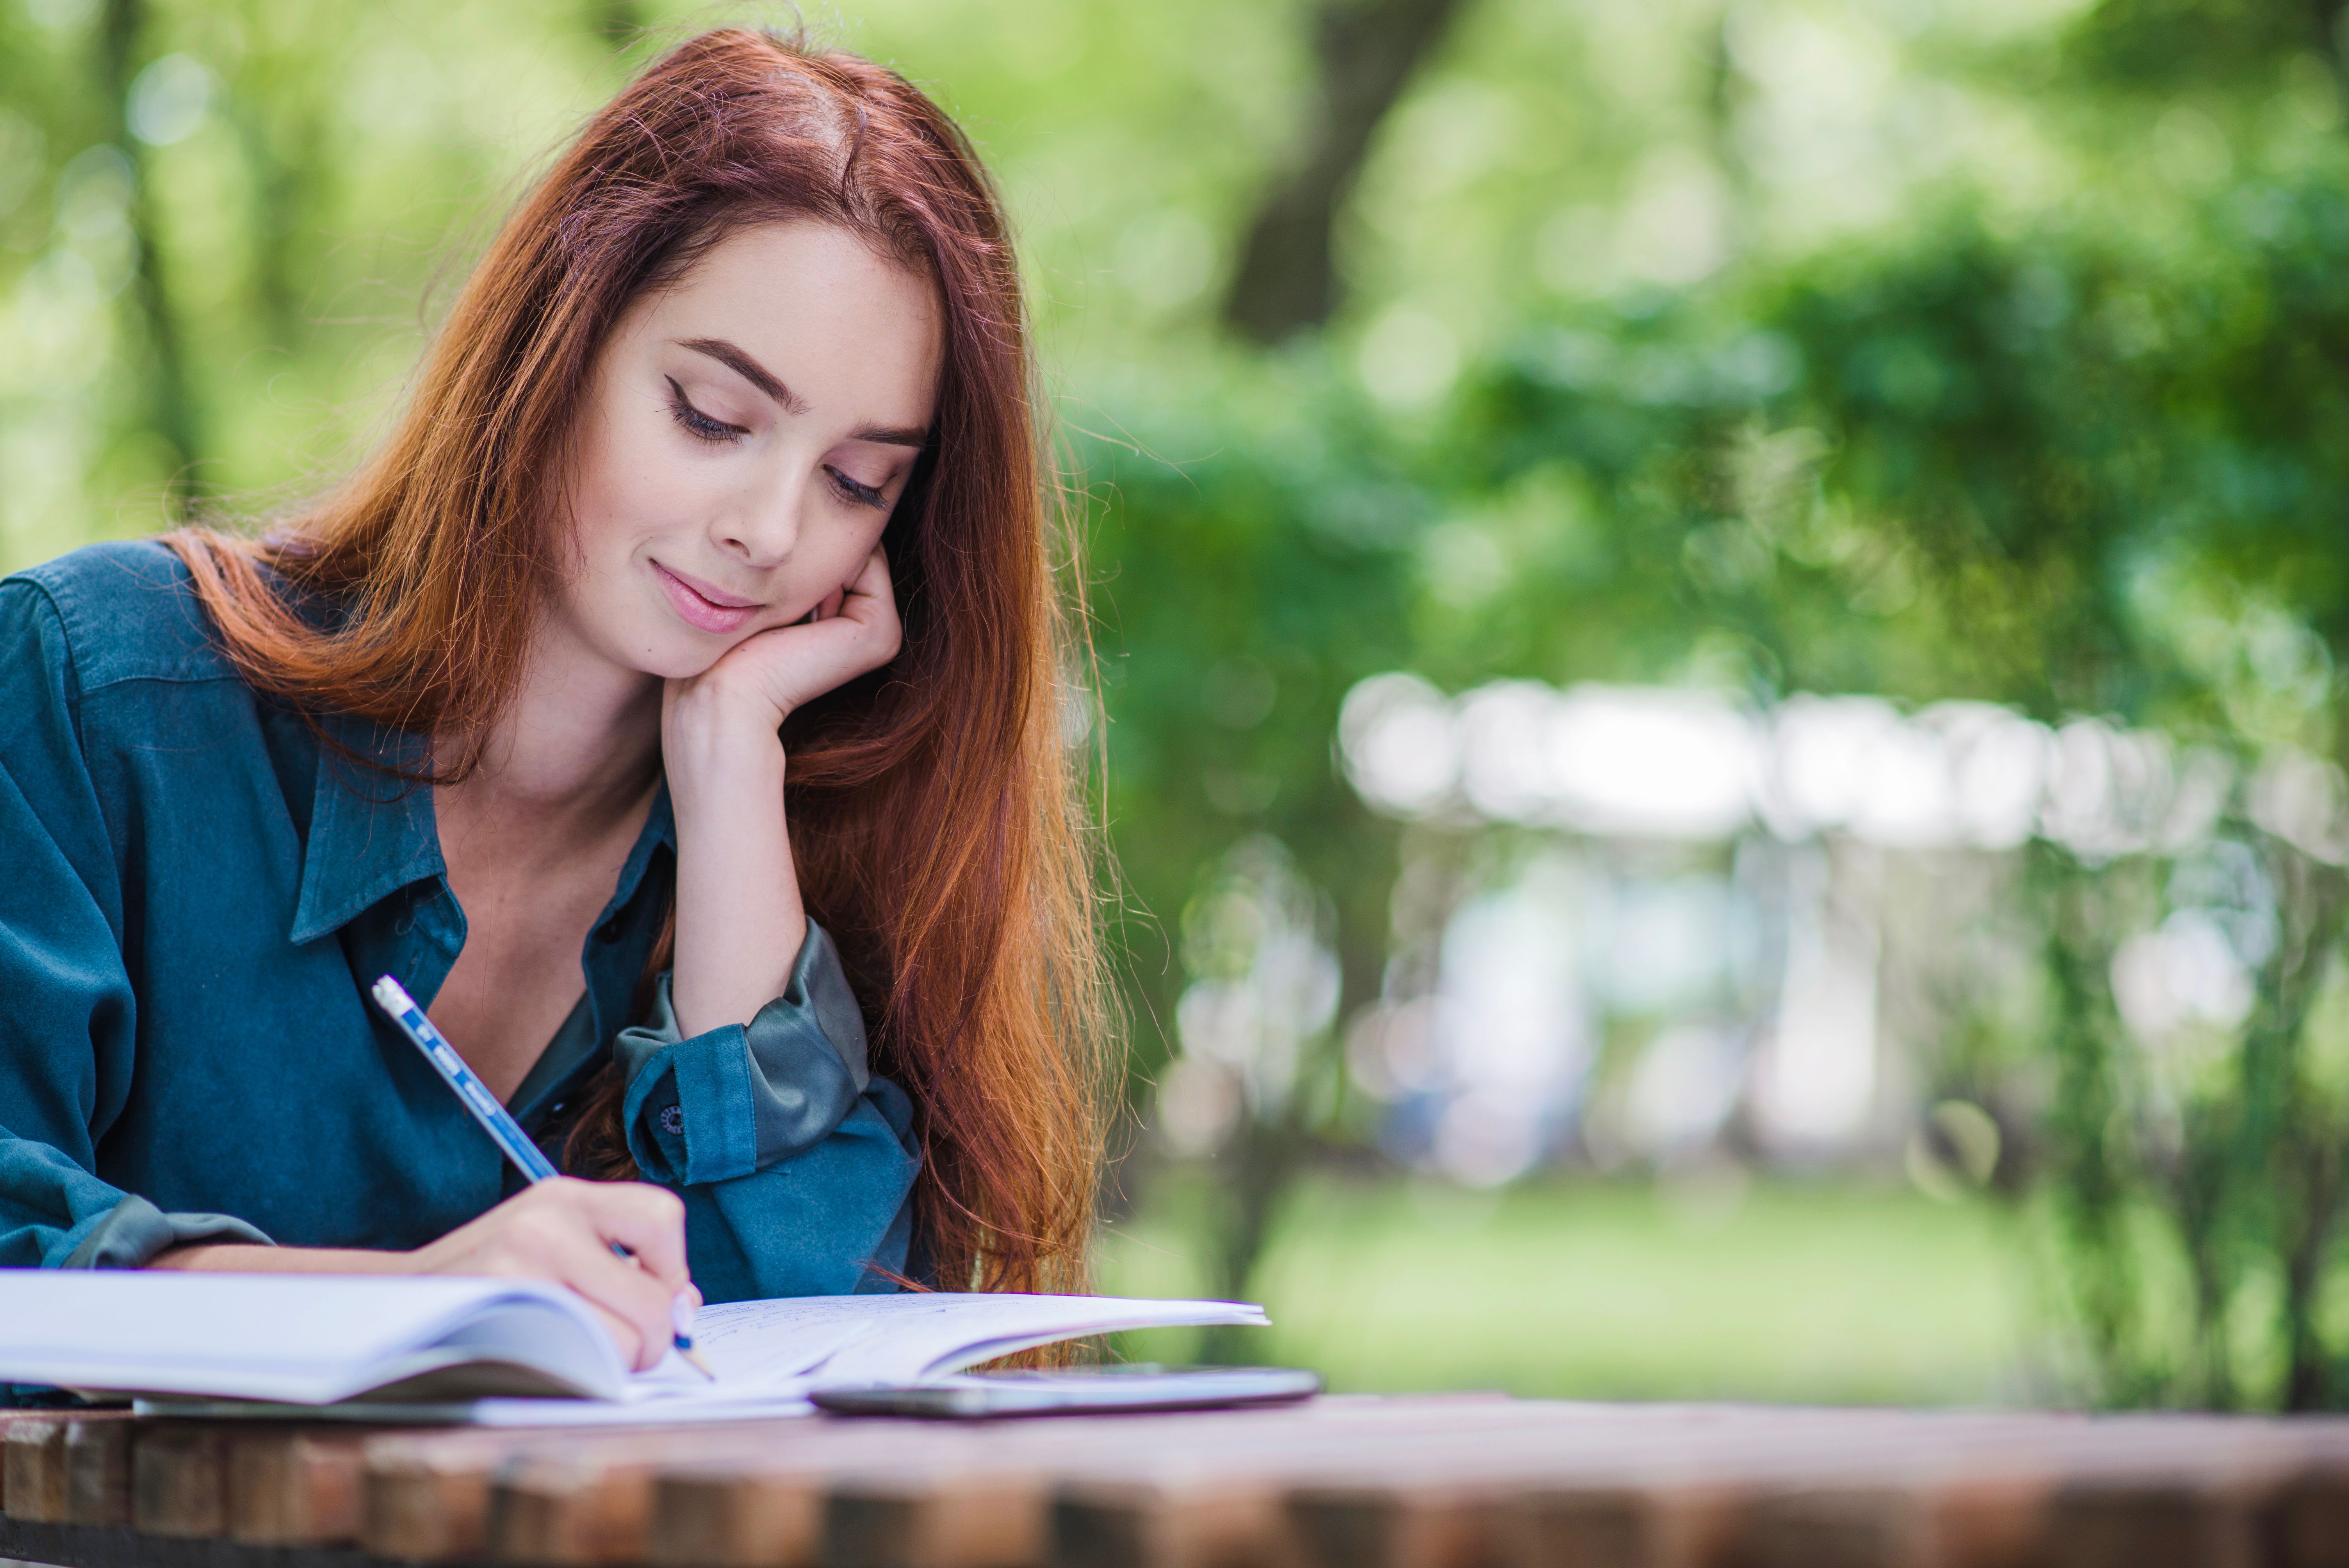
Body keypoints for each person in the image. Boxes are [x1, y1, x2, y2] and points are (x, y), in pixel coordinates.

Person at [0, 29, 1105, 1376]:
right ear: (556, 346)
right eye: (711, 416)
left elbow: (808, 1368)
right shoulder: (99, 693)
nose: (769, 528)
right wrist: (404, 1303)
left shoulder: (814, 832)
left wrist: (733, 791)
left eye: (858, 482)